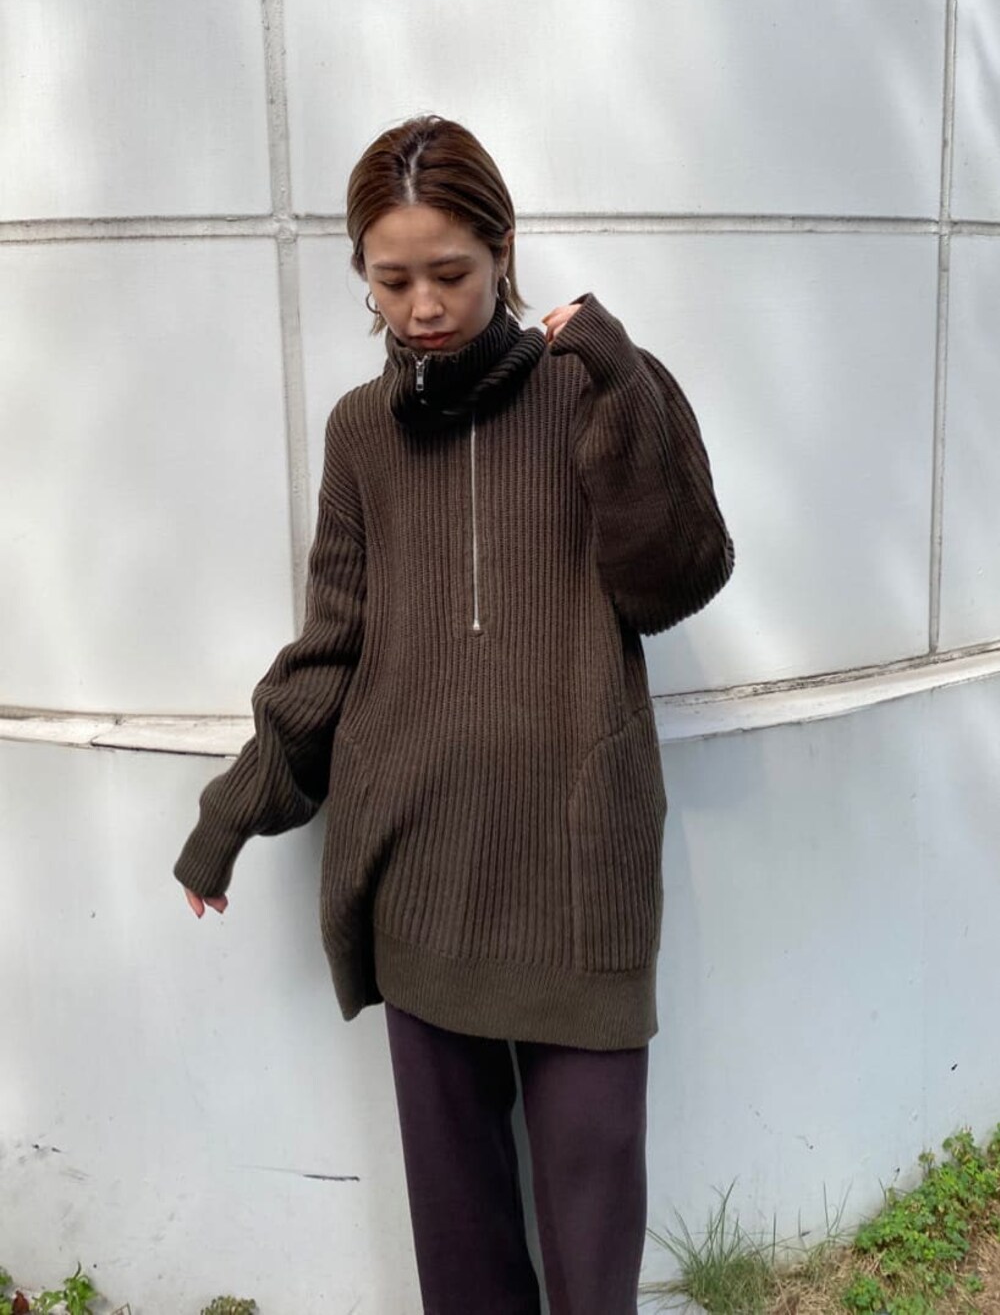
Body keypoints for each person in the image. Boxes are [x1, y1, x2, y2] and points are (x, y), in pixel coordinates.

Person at [174, 114, 734, 1315]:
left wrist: (626, 387)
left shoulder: (594, 387)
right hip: (420, 874)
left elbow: (675, 578)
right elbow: (333, 641)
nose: (423, 305)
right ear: (362, 275)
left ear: (503, 250)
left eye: (451, 273)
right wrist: (234, 809)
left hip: (578, 869)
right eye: (392, 281)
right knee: (462, 1243)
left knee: (593, 1228)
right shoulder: (359, 432)